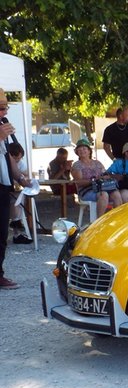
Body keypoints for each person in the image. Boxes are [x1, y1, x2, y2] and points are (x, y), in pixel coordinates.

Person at [0, 88, 34, 289]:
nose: (4, 113)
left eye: (5, 109)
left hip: (3, 187)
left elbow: (7, 158)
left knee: (1, 233)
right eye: (1, 109)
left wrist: (22, 178)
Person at [71, 138, 123, 218]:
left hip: (102, 187)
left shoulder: (97, 163)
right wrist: (93, 180)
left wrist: (107, 177)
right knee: (104, 195)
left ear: (89, 151)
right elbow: (79, 182)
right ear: (77, 152)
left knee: (116, 194)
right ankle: (99, 221)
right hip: (87, 190)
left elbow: (105, 174)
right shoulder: (77, 165)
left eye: (84, 148)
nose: (82, 151)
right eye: (79, 149)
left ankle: (118, 218)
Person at [6, 142, 32, 244]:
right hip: (4, 189)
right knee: (15, 200)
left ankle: (16, 224)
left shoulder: (20, 162)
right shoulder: (4, 162)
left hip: (14, 190)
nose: (18, 160)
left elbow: (27, 174)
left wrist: (21, 177)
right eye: (15, 158)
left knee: (18, 198)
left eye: (19, 158)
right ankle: (16, 223)